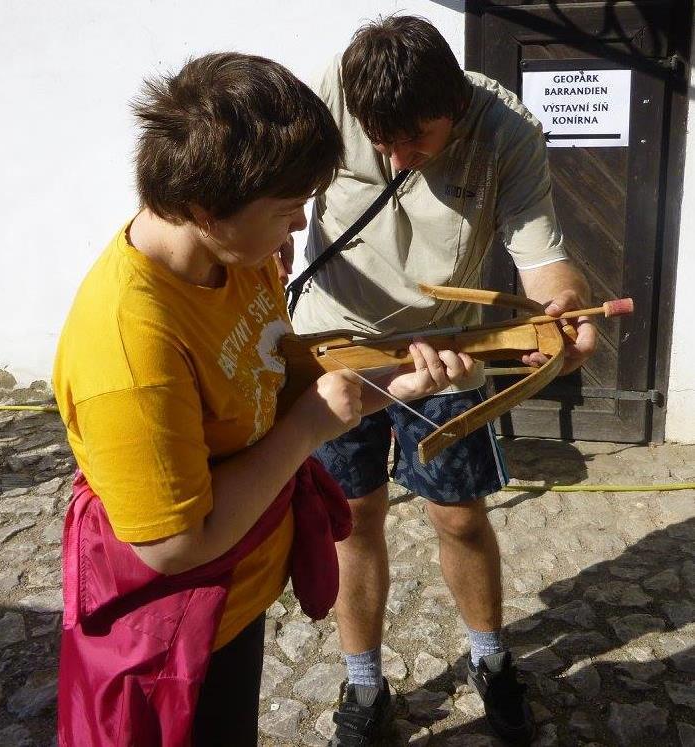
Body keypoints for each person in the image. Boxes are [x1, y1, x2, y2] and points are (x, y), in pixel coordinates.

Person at [52, 51, 473, 746]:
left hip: (236, 594)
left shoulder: (232, 258)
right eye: (288, 208)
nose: (302, 227)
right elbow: (174, 545)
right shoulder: (128, 350)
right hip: (170, 624)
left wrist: (388, 381)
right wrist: (311, 426)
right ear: (203, 207)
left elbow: (272, 365)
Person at [290, 15, 598, 747]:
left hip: (449, 347)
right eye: (380, 141)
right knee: (353, 517)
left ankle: (491, 658)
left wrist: (560, 317)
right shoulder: (334, 89)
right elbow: (274, 192)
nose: (396, 158)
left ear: (454, 106)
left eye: (416, 142)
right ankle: (364, 679)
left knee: (459, 515)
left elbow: (544, 261)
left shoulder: (506, 134)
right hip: (337, 346)